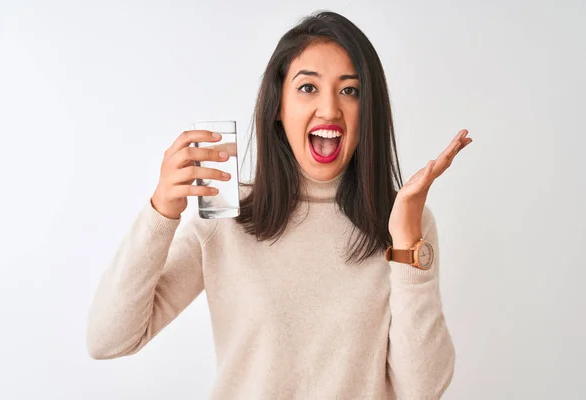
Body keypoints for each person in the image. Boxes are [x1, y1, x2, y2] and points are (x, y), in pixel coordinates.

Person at [86, 10, 472, 400]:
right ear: (277, 106)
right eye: (308, 88)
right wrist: (161, 213)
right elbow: (109, 339)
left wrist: (406, 243)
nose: (330, 109)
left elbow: (422, 390)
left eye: (350, 90)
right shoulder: (226, 217)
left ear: (367, 110)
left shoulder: (406, 223)